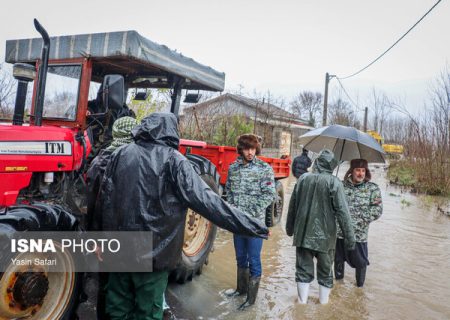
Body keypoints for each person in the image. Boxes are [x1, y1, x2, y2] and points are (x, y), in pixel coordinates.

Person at [98, 113, 269, 320]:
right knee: (148, 311)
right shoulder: (175, 161)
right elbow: (208, 202)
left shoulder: (121, 153)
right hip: (155, 253)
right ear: (171, 131)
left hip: (119, 250)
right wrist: (251, 225)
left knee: (116, 307)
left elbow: (105, 200)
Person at [285, 149, 355, 304]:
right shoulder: (334, 182)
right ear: (332, 165)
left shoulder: (303, 178)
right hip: (326, 238)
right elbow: (343, 212)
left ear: (316, 162)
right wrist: (350, 238)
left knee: (303, 270)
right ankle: (323, 305)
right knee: (325, 272)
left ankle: (301, 305)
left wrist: (290, 229)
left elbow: (292, 207)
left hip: (303, 235)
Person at [85, 116, 138, 320]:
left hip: (106, 236)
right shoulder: (131, 161)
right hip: (123, 236)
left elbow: (91, 205)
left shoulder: (99, 160)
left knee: (107, 284)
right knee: (119, 287)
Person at [224, 134, 276, 310]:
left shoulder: (264, 168)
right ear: (241, 149)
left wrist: (251, 212)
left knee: (254, 259)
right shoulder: (233, 168)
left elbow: (270, 194)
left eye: (253, 149)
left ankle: (251, 300)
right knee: (240, 258)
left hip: (254, 224)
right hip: (237, 222)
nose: (250, 152)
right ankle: (240, 290)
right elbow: (228, 192)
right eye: (246, 149)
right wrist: (232, 209)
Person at [334, 159, 383, 287]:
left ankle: (359, 290)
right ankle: (338, 288)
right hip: (339, 234)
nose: (360, 173)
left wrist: (357, 220)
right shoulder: (340, 186)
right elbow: (332, 205)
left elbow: (377, 210)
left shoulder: (372, 188)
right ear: (351, 171)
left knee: (361, 263)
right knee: (338, 260)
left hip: (359, 235)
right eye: (357, 170)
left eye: (363, 170)